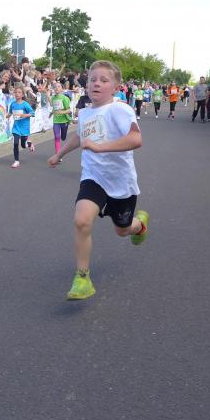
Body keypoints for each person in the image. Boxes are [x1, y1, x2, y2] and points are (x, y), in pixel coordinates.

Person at [47, 60, 148, 301]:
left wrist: (101, 147)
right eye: (93, 79)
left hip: (120, 181)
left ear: (115, 87)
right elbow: (79, 136)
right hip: (93, 177)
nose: (97, 84)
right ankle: (82, 278)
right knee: (82, 220)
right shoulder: (85, 112)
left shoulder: (120, 109)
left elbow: (136, 139)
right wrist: (59, 154)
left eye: (104, 80)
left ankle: (139, 225)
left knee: (122, 230)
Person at [8, 85, 35, 168]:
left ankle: (29, 144)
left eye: (19, 92)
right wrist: (8, 115)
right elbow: (10, 112)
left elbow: (32, 113)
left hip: (24, 127)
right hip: (16, 127)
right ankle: (16, 161)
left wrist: (25, 115)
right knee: (15, 143)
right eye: (16, 92)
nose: (17, 94)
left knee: (23, 145)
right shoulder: (13, 104)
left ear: (23, 95)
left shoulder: (25, 104)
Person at [51, 81, 71, 155]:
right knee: (57, 137)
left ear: (62, 89)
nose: (56, 88)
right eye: (55, 87)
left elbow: (69, 110)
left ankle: (64, 133)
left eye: (58, 86)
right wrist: (51, 113)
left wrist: (62, 112)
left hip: (64, 120)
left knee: (63, 137)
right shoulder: (53, 98)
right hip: (56, 120)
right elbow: (54, 107)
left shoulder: (65, 98)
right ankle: (58, 154)